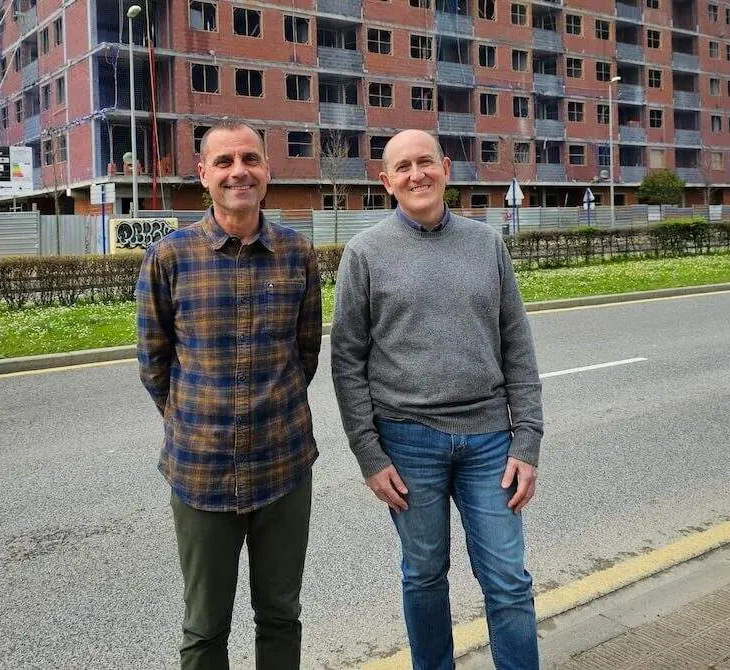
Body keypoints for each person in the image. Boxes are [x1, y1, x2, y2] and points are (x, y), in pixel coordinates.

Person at [330, 129, 544, 670]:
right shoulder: (364, 254)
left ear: (447, 168)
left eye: (426, 162)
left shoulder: (486, 244)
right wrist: (370, 457)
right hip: (407, 442)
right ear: (386, 182)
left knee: (508, 579)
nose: (416, 174)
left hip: (490, 441)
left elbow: (515, 342)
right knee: (424, 576)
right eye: (402, 167)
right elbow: (347, 363)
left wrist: (528, 441)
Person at [135, 120, 322, 670]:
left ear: (268, 170)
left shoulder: (296, 254)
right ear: (203, 175)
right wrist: (197, 420)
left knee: (281, 615)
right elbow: (154, 363)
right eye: (224, 162)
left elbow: (304, 352)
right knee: (204, 627)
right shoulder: (169, 258)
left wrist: (269, 410)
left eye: (250, 159)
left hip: (283, 467)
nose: (238, 171)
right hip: (201, 472)